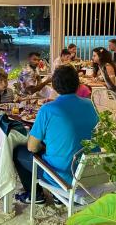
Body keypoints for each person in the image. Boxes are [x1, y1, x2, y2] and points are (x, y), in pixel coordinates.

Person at [13, 65, 98, 204]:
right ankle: (58, 197)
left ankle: (36, 195)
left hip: (64, 175)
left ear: (54, 86)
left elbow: (32, 147)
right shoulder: (90, 104)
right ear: (77, 84)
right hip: (91, 171)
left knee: (19, 152)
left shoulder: (47, 110)